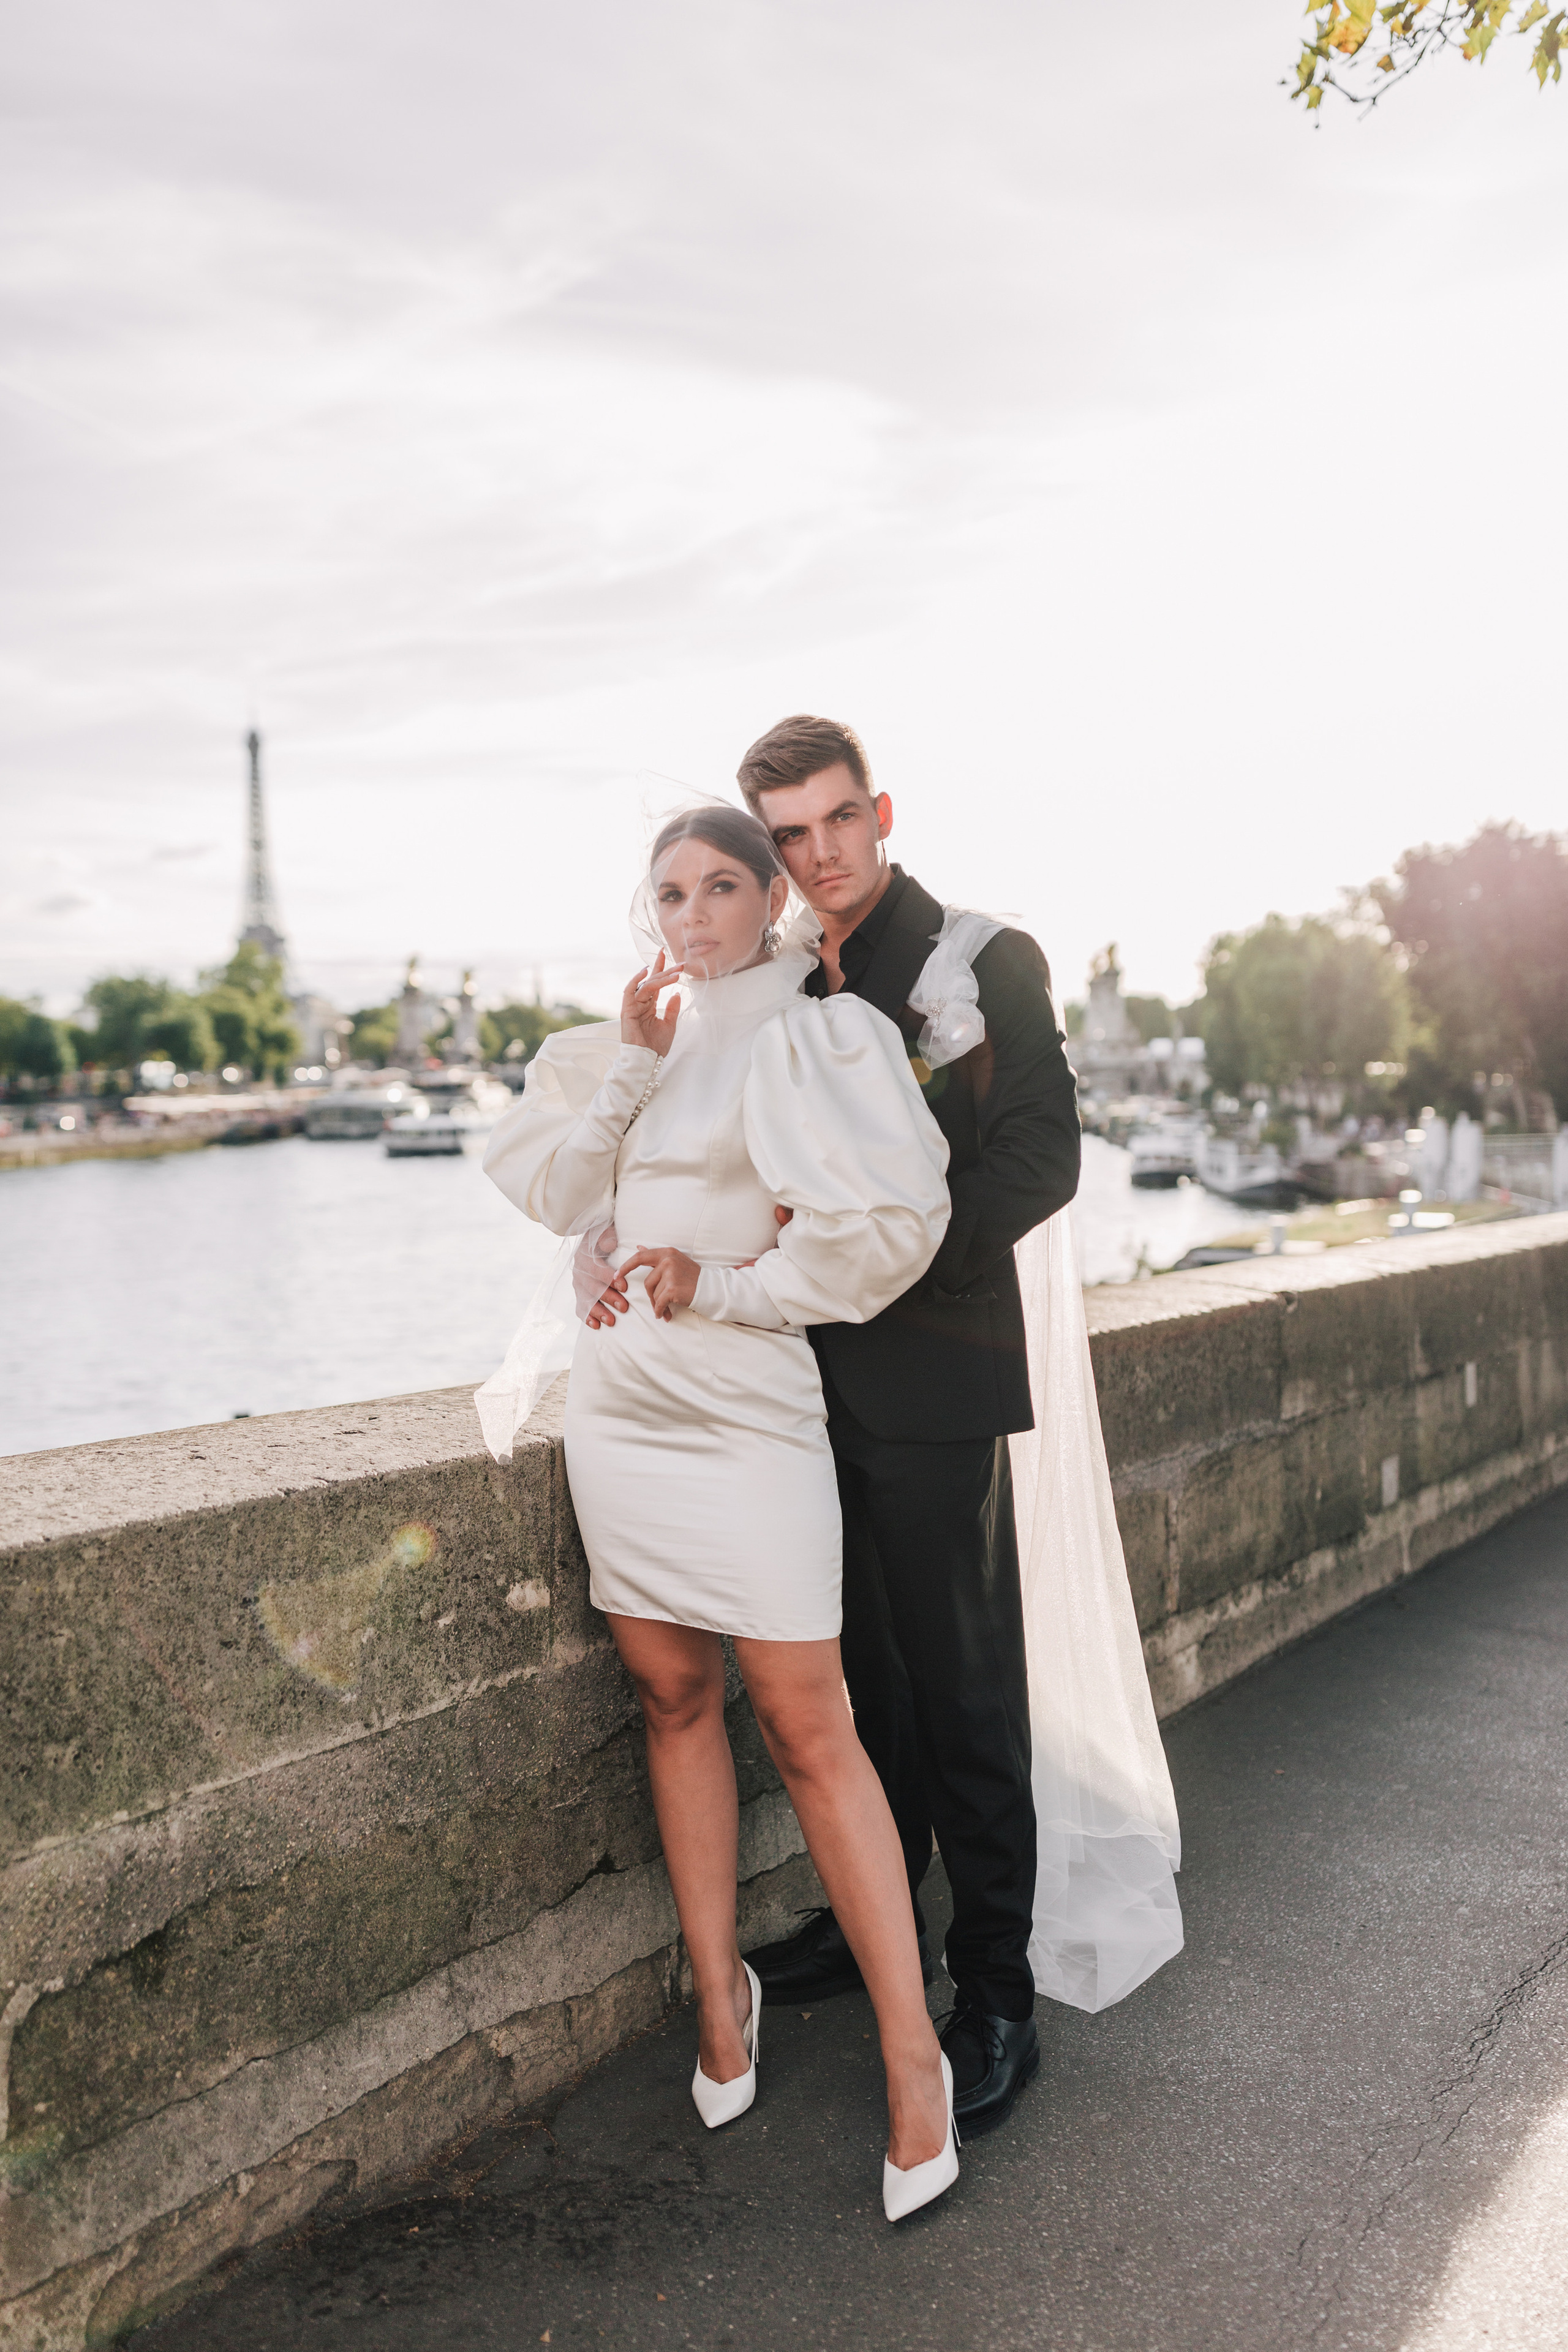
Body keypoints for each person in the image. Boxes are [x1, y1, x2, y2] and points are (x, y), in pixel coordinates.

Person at [479, 803, 964, 2222]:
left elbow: (887, 1238)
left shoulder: (820, 1038)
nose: (690, 917)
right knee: (670, 1697)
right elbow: (560, 1198)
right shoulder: (623, 1044)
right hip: (621, 1409)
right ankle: (717, 1993)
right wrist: (633, 1074)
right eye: (669, 894)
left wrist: (723, 1282)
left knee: (810, 1727)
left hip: (749, 1409)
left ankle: (914, 2058)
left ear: (769, 899)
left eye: (717, 889)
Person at [733, 715, 1082, 2140]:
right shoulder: (770, 978)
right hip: (795, 1394)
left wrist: (882, 1257)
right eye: (789, 836)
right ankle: (865, 1918)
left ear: (878, 813)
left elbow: (1039, 1159)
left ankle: (995, 1993)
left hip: (936, 1381)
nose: (819, 854)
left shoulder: (979, 961)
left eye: (837, 820)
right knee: (856, 1694)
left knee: (961, 1695)